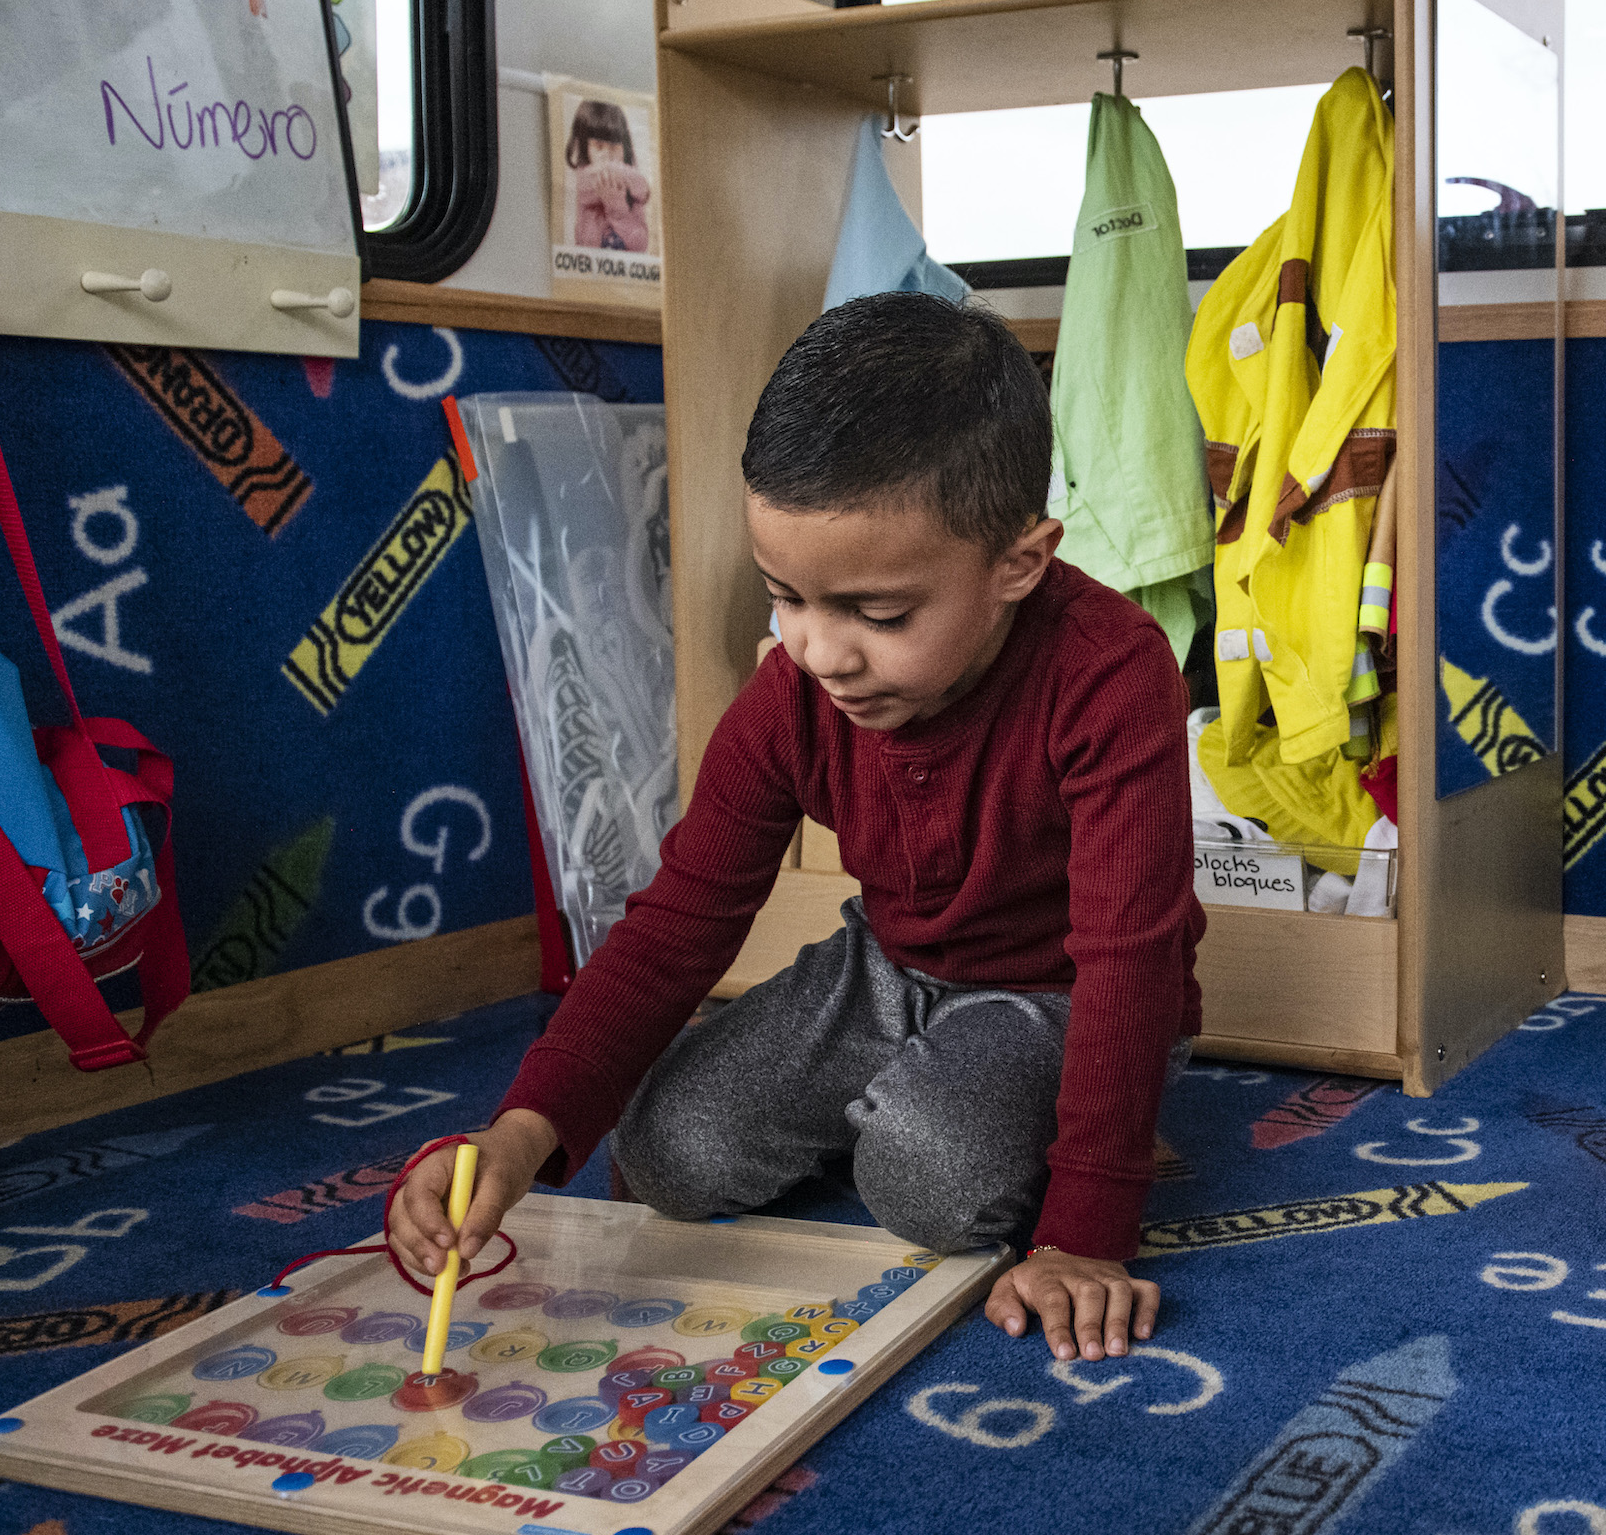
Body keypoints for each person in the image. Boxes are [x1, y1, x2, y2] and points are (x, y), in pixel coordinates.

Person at [389, 294, 1203, 1361]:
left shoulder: (1112, 670)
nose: (820, 652)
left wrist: (1089, 1230)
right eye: (786, 597)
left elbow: (1129, 959)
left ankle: (1038, 1113)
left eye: (880, 613)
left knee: (924, 1173)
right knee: (669, 1150)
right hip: (889, 964)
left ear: (1021, 560)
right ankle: (905, 1094)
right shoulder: (795, 693)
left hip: (1059, 989)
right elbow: (680, 918)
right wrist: (523, 1125)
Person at [564, 100, 654, 253]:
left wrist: (618, 210)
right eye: (598, 146)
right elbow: (585, 244)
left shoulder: (632, 194)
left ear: (624, 147)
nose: (607, 155)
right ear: (584, 148)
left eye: (614, 147)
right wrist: (640, 184)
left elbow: (640, 246)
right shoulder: (585, 180)